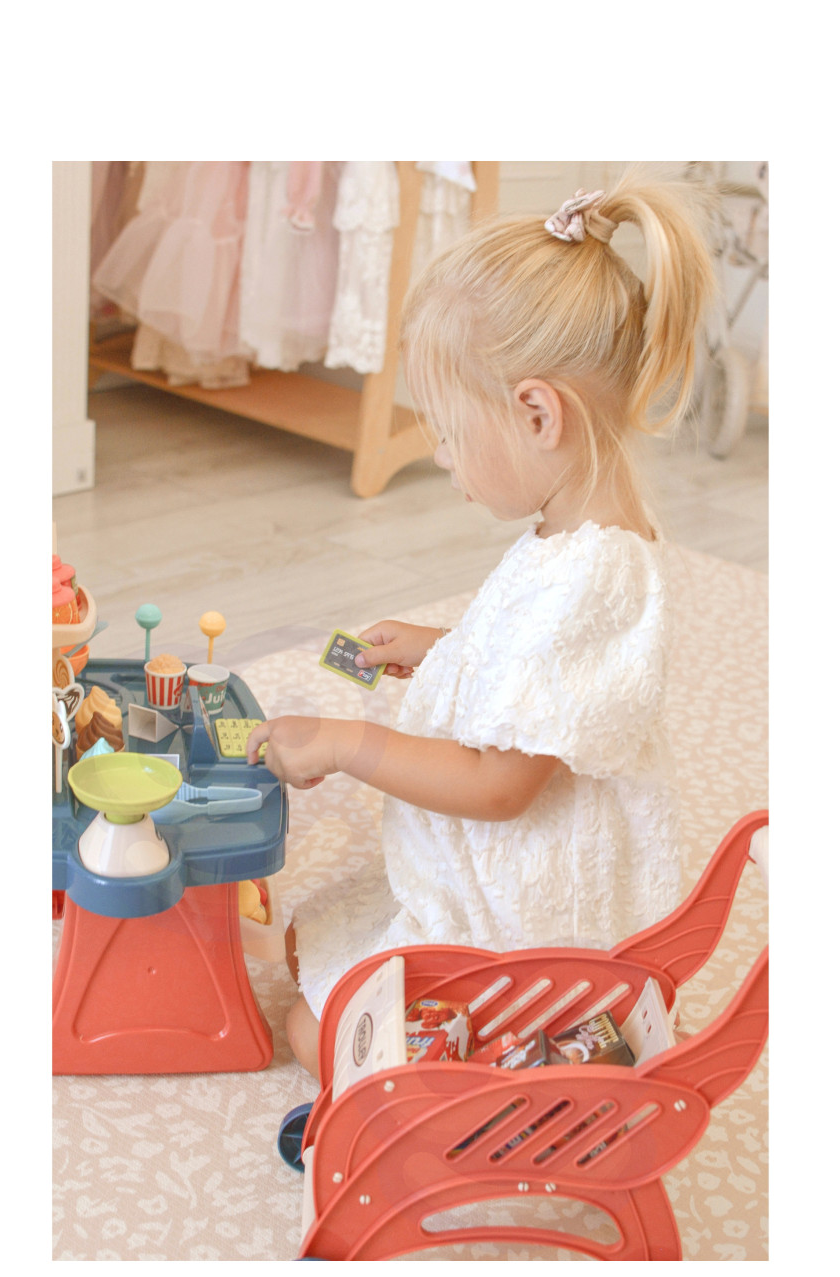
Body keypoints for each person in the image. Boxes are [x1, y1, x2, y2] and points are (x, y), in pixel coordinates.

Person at [245, 169, 717, 1079]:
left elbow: (502, 786)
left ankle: (529, 1061)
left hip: (530, 905)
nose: (440, 455)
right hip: (498, 863)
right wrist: (442, 651)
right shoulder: (575, 533)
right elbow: (539, 674)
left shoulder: (598, 574)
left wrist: (348, 742)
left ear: (538, 413)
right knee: (314, 947)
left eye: (449, 432)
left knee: (319, 1035)